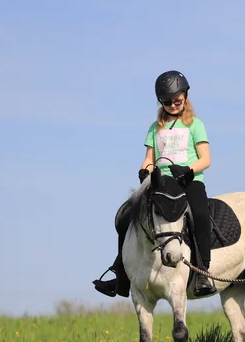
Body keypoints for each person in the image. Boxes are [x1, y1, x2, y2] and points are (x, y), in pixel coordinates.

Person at [93, 70, 217, 298]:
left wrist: (188, 170)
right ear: (161, 102)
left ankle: (202, 272)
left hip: (189, 180)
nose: (172, 105)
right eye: (167, 102)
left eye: (177, 100)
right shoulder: (155, 128)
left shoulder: (195, 125)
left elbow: (206, 159)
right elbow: (149, 158)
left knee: (199, 214)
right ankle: (121, 276)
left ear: (185, 96)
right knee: (126, 215)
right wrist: (145, 170)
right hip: (161, 182)